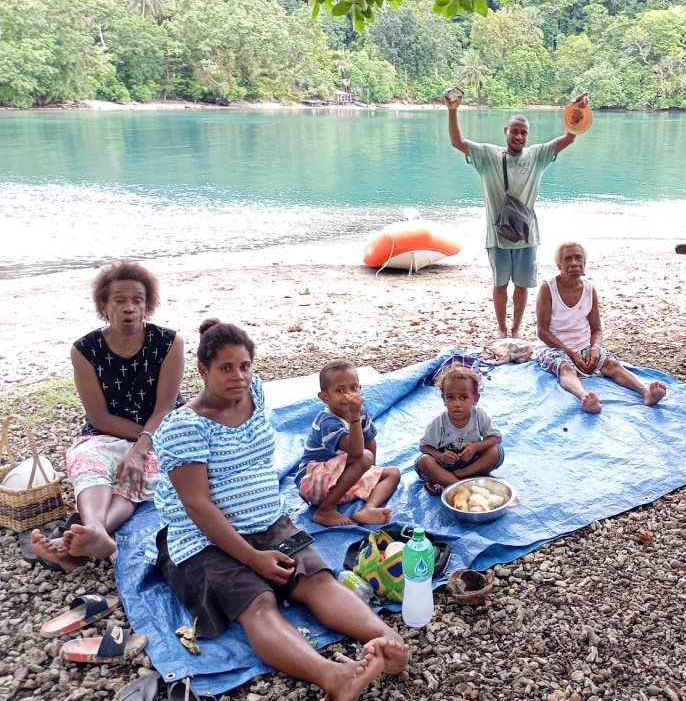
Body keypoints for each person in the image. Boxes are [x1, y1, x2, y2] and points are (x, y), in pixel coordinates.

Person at [153, 320, 408, 700]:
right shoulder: (183, 428)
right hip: (204, 539)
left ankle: (387, 642)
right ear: (203, 371)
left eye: (244, 366)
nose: (239, 377)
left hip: (269, 522)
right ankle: (333, 677)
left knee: (317, 580)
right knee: (259, 604)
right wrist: (252, 558)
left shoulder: (254, 392)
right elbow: (197, 505)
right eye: (225, 368)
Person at [30, 261, 184, 572]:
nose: (130, 308)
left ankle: (91, 536)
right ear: (104, 305)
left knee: (142, 469)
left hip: (161, 429)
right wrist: (136, 446)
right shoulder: (85, 350)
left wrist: (140, 449)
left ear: (147, 305)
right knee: (88, 459)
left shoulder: (169, 343)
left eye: (137, 300)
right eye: (119, 300)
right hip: (107, 431)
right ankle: (95, 532)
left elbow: (164, 408)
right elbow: (98, 416)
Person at [445, 87, 589, 339]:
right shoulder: (488, 155)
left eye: (523, 133)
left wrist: (576, 111)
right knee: (500, 284)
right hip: (497, 234)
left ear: (527, 135)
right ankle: (502, 328)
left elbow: (569, 138)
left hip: (526, 235)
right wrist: (452, 111)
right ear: (506, 131)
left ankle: (516, 328)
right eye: (514, 131)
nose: (519, 136)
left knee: (522, 285)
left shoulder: (537, 156)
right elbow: (458, 142)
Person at [534, 241, 667, 413]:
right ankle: (585, 397)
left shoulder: (589, 289)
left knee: (612, 364)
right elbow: (543, 332)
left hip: (583, 345)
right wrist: (572, 354)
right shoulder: (548, 288)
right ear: (559, 265)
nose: (574, 263)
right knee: (565, 368)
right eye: (567, 259)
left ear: (584, 263)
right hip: (553, 347)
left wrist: (595, 349)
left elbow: (596, 329)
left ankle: (646, 392)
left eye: (578, 258)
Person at [296, 359, 399, 527]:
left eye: (354, 388)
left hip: (340, 479)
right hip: (313, 483)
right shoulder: (327, 422)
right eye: (340, 390)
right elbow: (356, 452)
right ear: (325, 397)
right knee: (364, 457)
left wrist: (370, 472)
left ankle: (368, 508)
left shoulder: (360, 412)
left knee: (393, 473)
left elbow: (370, 440)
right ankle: (325, 509)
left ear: (360, 389)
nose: (348, 395)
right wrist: (354, 418)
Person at [415, 365, 503, 495]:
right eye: (450, 398)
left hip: (471, 462)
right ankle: (462, 487)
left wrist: (476, 447)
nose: (456, 404)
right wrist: (441, 456)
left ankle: (454, 478)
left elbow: (496, 437)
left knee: (495, 451)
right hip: (445, 465)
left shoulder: (479, 415)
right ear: (443, 399)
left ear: (475, 399)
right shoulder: (438, 422)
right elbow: (424, 447)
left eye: (463, 397)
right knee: (424, 461)